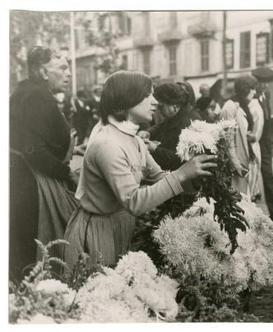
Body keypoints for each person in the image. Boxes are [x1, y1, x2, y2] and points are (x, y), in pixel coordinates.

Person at [63, 71, 217, 269]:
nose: (155, 102)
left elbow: (159, 177)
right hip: (98, 233)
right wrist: (181, 174)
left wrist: (197, 177)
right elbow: (134, 202)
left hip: (121, 225)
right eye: (147, 96)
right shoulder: (106, 143)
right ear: (126, 100)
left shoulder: (134, 139)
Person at [10, 46, 79, 281]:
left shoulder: (27, 91)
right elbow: (33, 151)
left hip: (20, 179)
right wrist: (67, 172)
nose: (68, 73)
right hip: (29, 185)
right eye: (62, 67)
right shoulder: (36, 96)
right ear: (42, 71)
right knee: (30, 255)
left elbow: (31, 138)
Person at [252, 68, 273, 223]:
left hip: (265, 142)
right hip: (255, 141)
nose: (265, 85)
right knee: (254, 176)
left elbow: (267, 118)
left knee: (269, 176)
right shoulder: (252, 97)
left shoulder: (267, 95)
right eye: (262, 82)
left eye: (267, 82)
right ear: (257, 82)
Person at [221, 76, 257, 197]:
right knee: (236, 198)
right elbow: (227, 139)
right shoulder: (229, 107)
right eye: (252, 89)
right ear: (244, 89)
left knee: (243, 198)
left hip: (243, 159)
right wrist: (235, 164)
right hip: (235, 164)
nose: (254, 92)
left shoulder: (240, 106)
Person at [145, 82, 194, 171]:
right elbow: (161, 126)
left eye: (161, 107)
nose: (158, 110)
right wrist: (148, 132)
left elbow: (181, 159)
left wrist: (155, 149)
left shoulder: (188, 124)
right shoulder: (175, 116)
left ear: (175, 106)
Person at [247, 93, 265, 201]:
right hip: (248, 145)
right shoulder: (246, 106)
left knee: (251, 176)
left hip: (251, 146)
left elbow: (255, 136)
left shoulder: (255, 108)